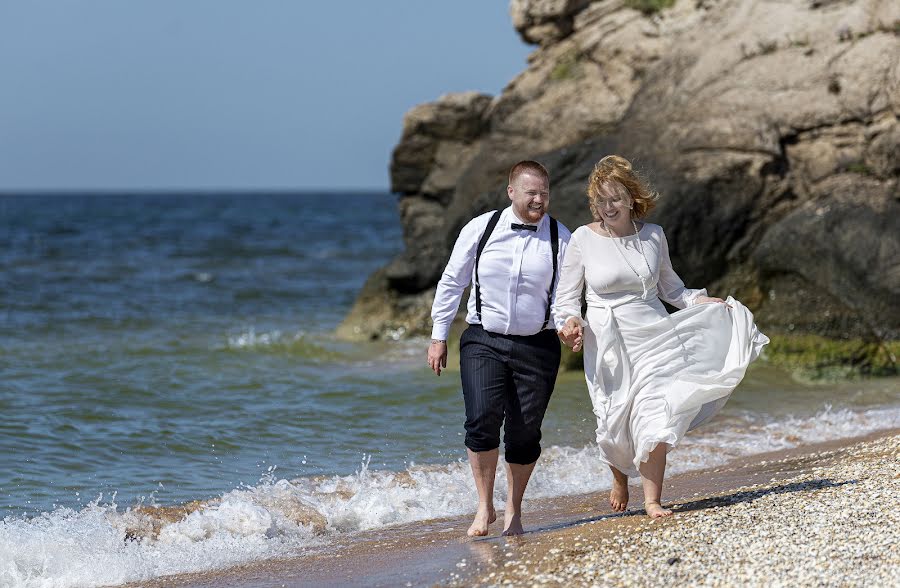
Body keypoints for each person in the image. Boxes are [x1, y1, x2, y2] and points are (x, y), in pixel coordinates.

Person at [553, 155, 768, 518]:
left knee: (656, 411)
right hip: (607, 340)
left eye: (615, 198)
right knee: (613, 419)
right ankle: (620, 477)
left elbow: (672, 289)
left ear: (632, 197)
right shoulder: (582, 239)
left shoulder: (653, 235)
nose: (608, 207)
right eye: (601, 200)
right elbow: (566, 298)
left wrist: (701, 300)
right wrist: (570, 322)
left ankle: (652, 499)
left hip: (655, 334)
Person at [427, 160, 572, 536]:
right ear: (511, 192)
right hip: (483, 339)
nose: (539, 199)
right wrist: (438, 335)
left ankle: (514, 511)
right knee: (481, 419)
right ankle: (483, 506)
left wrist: (569, 325)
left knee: (525, 434)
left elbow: (564, 296)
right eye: (531, 193)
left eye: (544, 192)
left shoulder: (561, 237)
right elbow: (452, 281)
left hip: (538, 345)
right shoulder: (481, 227)